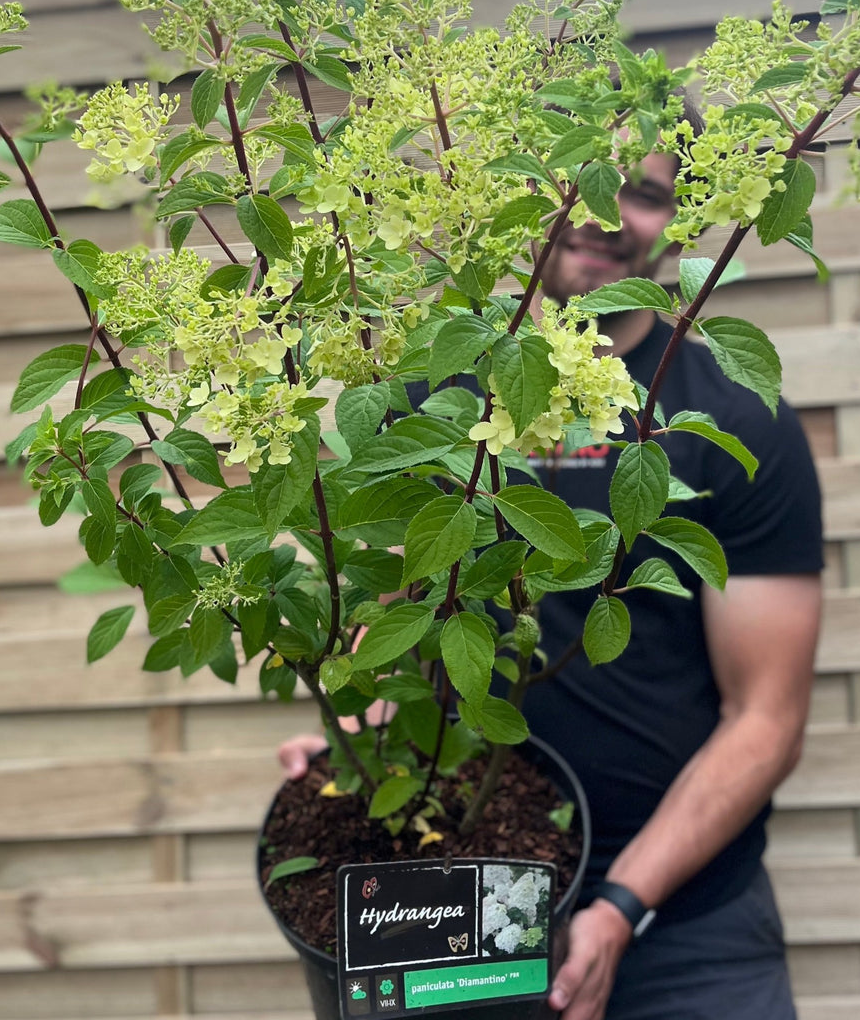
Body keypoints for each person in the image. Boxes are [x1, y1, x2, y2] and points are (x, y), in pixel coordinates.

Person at [280, 122, 824, 1020]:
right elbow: (398, 615)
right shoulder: (435, 398)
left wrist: (620, 904)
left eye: (642, 192)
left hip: (686, 922)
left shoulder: (735, 416)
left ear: (683, 217)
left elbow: (768, 715)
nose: (607, 213)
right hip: (454, 892)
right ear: (525, 195)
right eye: (585, 182)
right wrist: (358, 740)